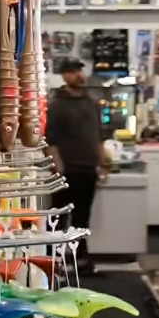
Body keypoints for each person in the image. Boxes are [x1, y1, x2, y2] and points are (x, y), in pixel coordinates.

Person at [46, 57, 108, 271]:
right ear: (64, 75)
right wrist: (58, 167)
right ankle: (55, 261)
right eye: (72, 71)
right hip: (67, 169)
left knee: (82, 218)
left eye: (79, 70)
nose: (78, 75)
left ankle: (81, 259)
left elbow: (98, 136)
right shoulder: (56, 104)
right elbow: (50, 140)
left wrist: (103, 163)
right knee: (59, 218)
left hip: (88, 168)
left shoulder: (91, 103)